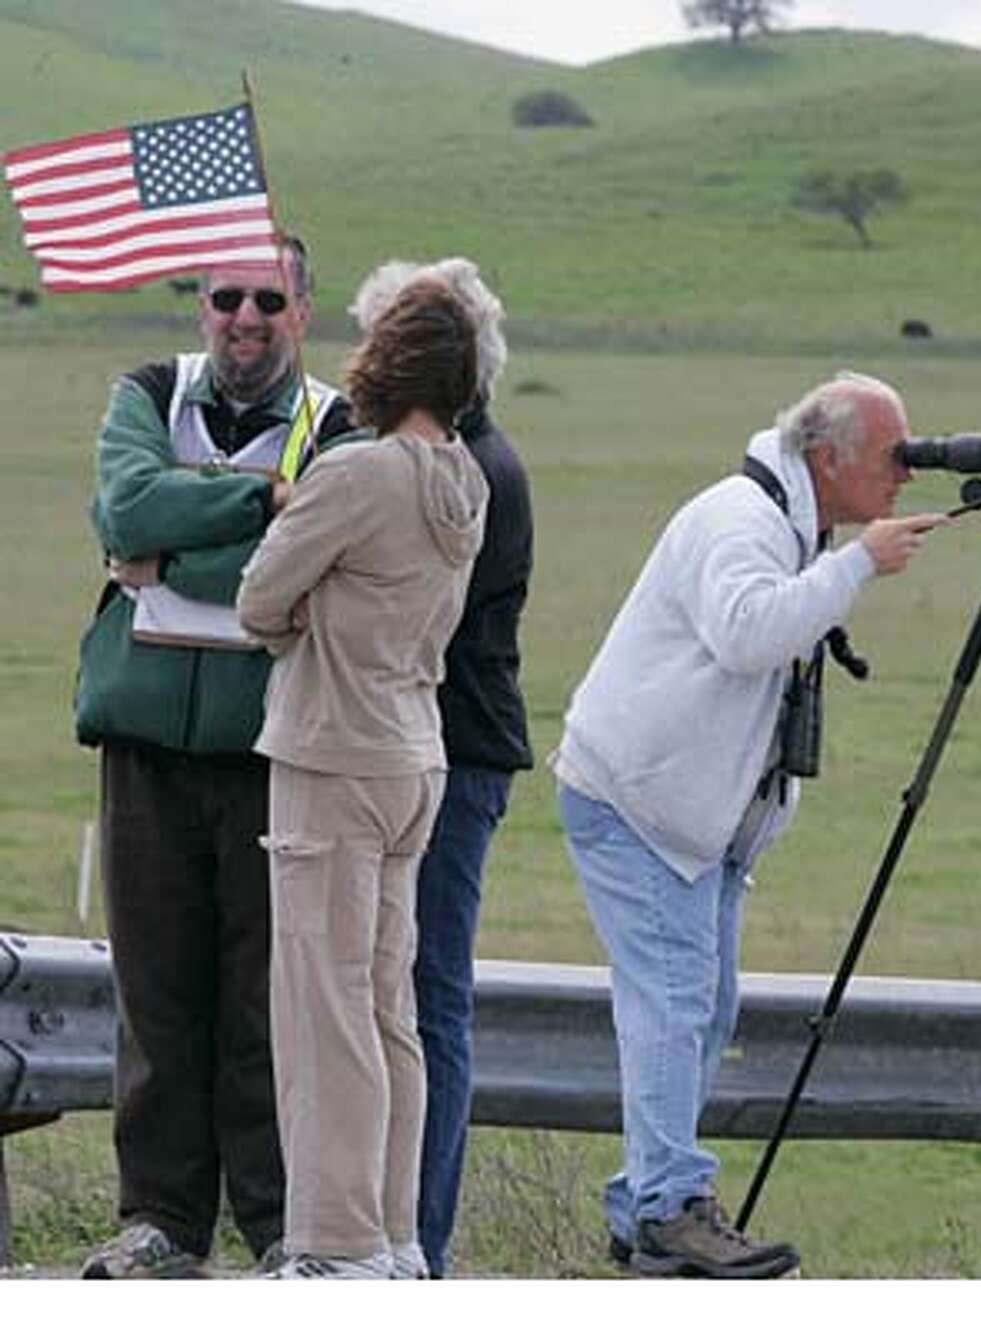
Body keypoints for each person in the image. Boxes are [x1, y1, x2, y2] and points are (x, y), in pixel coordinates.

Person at [553, 371, 945, 1279]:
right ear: (828, 457)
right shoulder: (742, 520)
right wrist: (856, 565)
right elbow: (746, 633)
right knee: (675, 1003)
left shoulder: (787, 520)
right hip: (641, 800)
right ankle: (669, 1209)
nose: (907, 473)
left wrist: (843, 560)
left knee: (704, 1004)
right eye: (894, 456)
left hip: (692, 813)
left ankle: (646, 1202)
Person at [75, 236, 355, 1279]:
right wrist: (257, 505)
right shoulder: (149, 392)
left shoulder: (336, 423)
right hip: (145, 745)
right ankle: (161, 1221)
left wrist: (170, 557)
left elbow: (313, 559)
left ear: (303, 312)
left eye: (269, 300)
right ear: (201, 303)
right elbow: (125, 510)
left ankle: (283, 1226)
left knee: (265, 1000)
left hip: (269, 750)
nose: (246, 317)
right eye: (227, 296)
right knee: (155, 994)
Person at [236, 275, 490, 1279]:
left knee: (323, 1007)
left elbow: (260, 598)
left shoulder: (356, 474)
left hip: (334, 755)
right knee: (387, 1008)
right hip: (413, 754)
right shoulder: (464, 480)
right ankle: (395, 1233)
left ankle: (337, 1242)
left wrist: (309, 610)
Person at [347, 259, 532, 1279]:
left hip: (450, 754)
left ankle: (418, 1237)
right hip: (420, 751)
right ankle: (379, 1228)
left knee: (425, 995)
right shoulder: (440, 461)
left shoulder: (473, 473)